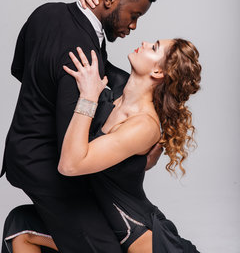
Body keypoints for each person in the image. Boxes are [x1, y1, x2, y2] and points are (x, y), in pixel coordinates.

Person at [0, 0, 162, 253]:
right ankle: (21, 229)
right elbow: (75, 142)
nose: (134, 26)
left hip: (22, 151)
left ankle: (23, 228)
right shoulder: (83, 55)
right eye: (134, 15)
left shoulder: (46, 12)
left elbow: (20, 68)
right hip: (48, 165)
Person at [2, 37, 201, 253]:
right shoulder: (115, 93)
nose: (144, 43)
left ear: (158, 73)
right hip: (98, 222)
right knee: (20, 225)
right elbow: (94, 49)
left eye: (154, 48)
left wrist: (88, 96)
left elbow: (70, 165)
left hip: (137, 237)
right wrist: (87, 4)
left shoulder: (144, 124)